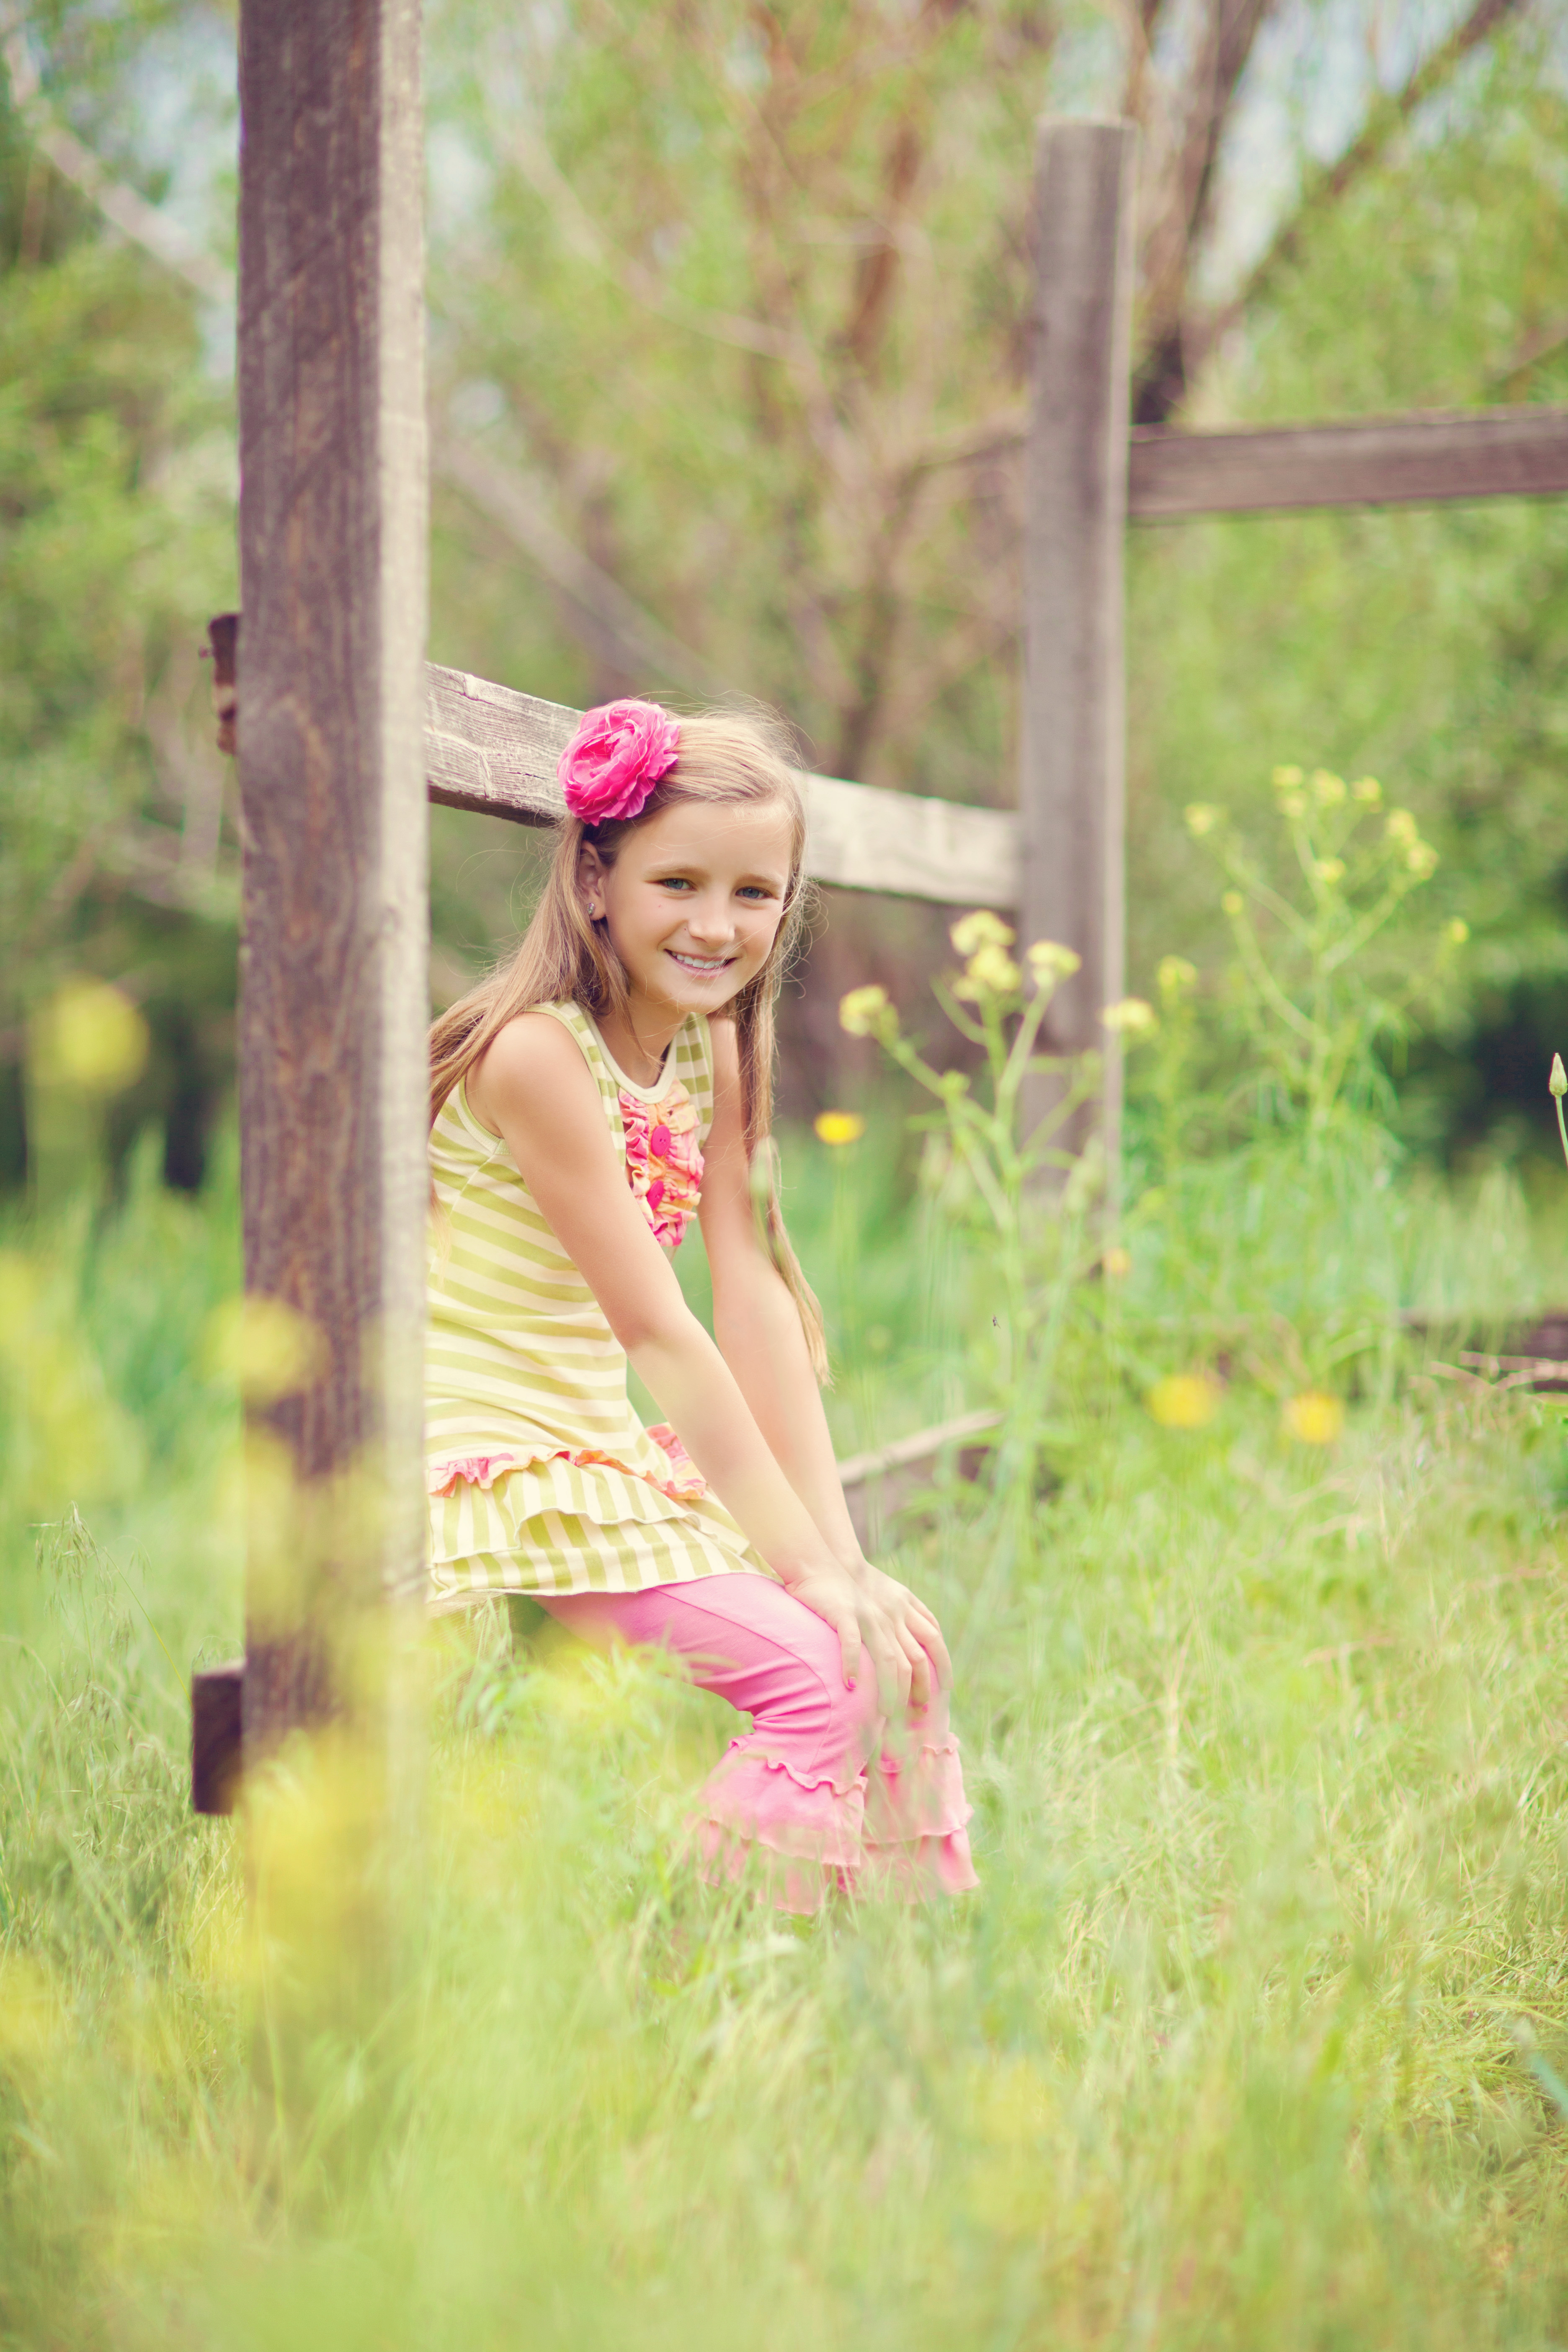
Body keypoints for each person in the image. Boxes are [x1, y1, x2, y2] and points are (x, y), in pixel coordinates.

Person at [426, 697, 977, 1913]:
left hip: (587, 1455)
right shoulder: (537, 1056)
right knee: (825, 1676)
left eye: (754, 893)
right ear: (595, 879)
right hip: (486, 1462)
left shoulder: (710, 1045)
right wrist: (804, 1571)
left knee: (900, 1658)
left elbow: (752, 1297)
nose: (718, 925)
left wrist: (842, 1560)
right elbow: (658, 1331)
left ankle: (875, 1971)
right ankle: (692, 1965)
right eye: (678, 882)